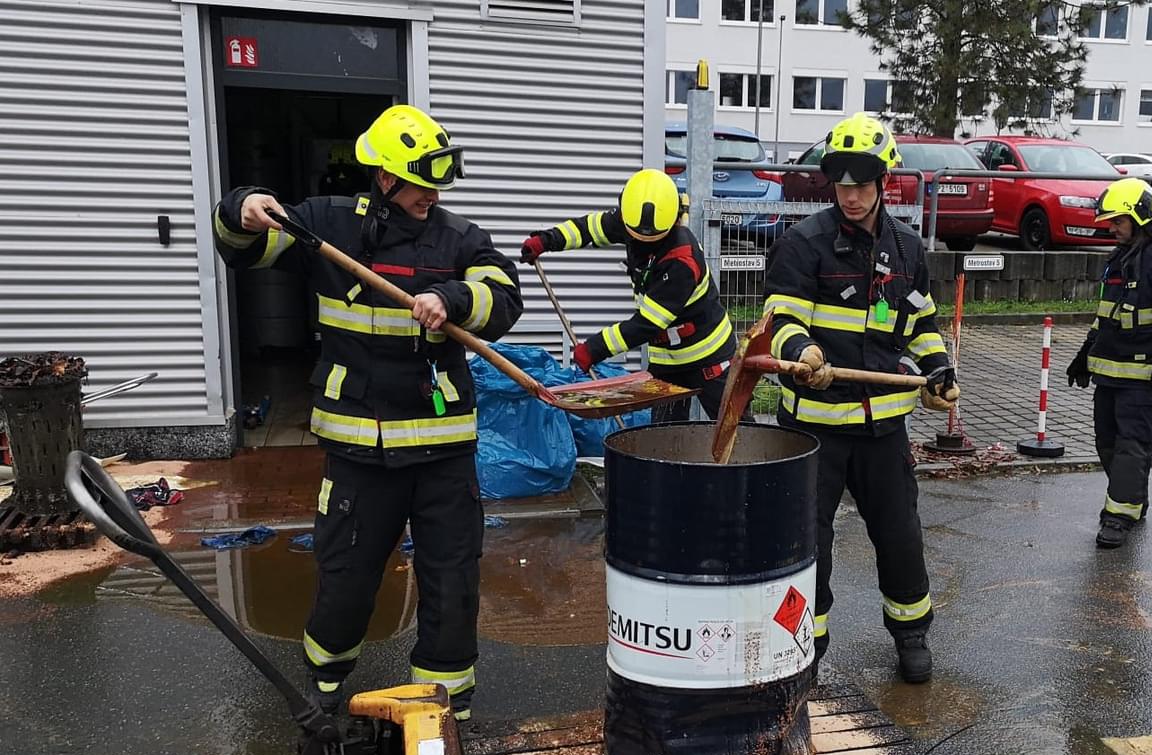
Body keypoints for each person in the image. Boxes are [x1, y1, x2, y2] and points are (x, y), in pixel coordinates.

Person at [212, 105, 524, 720]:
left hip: (442, 453)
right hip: (361, 453)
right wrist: (240, 207)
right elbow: (244, 247)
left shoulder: (460, 238)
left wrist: (453, 297)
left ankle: (445, 710)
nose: (433, 196)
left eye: (438, 184)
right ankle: (326, 692)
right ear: (385, 178)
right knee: (346, 575)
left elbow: (503, 296)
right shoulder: (327, 226)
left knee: (452, 581)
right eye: (421, 184)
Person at [763, 112, 958, 684]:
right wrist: (802, 351)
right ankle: (804, 647)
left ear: (883, 183)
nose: (850, 196)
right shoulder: (803, 244)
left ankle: (911, 634)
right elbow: (780, 320)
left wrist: (937, 368)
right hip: (815, 429)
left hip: (883, 431)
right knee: (806, 544)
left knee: (900, 536)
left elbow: (920, 323)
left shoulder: (907, 248)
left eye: (862, 185)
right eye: (841, 185)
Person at [519, 168, 742, 422]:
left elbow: (647, 324)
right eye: (635, 238)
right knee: (663, 436)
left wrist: (595, 348)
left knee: (737, 429)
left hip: (708, 358)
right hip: (666, 361)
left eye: (652, 240)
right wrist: (546, 240)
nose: (641, 244)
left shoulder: (681, 261)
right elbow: (588, 229)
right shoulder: (631, 219)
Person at [1065, 176, 1152, 550]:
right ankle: (1132, 500)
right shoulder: (1120, 259)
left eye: (1118, 221)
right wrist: (1085, 355)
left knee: (1131, 446)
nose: (1112, 228)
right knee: (1108, 444)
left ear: (1140, 217)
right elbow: (1106, 316)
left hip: (1145, 378)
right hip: (1110, 375)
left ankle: (1118, 517)